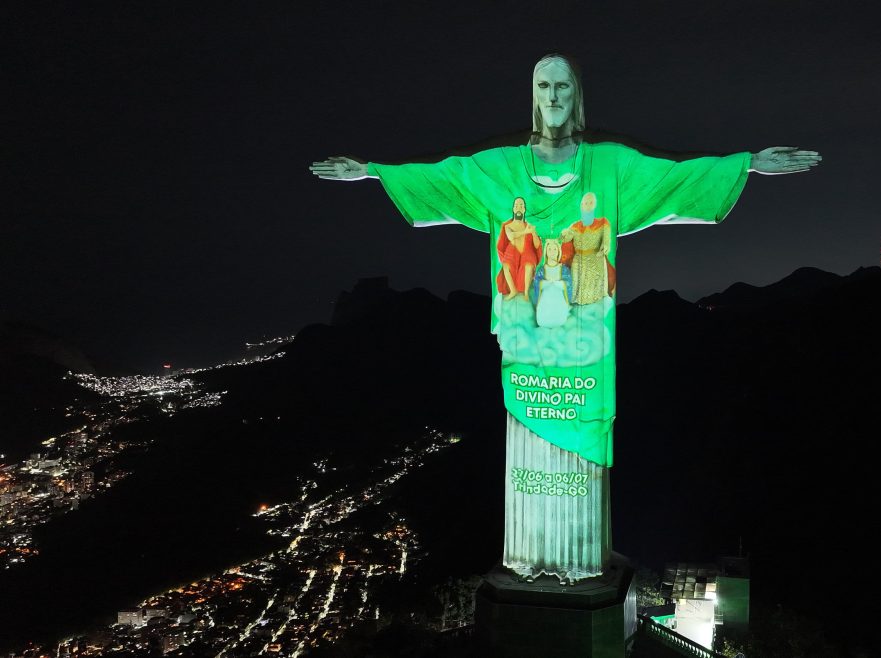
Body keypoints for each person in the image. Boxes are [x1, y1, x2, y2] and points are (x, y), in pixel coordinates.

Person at [310, 54, 820, 584]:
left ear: (577, 95)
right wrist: (371, 170)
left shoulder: (610, 166)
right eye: (543, 85)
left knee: (582, 454)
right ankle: (529, 557)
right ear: (533, 95)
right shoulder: (502, 169)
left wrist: (749, 162)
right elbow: (443, 178)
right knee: (526, 454)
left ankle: (577, 560)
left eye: (562, 86)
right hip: (529, 348)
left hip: (584, 353)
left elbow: (675, 177)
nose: (552, 96)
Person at [559, 192, 612, 305]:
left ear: (595, 204)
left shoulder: (603, 223)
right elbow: (566, 238)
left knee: (597, 298)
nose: (587, 205)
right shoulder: (575, 225)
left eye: (590, 202)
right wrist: (564, 233)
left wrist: (606, 246)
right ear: (581, 205)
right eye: (585, 203)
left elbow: (606, 239)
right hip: (579, 260)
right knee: (575, 295)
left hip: (596, 259)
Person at [496, 197, 541, 300]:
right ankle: (513, 290)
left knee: (529, 265)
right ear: (513, 209)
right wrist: (525, 232)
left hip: (527, 253)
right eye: (516, 205)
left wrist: (533, 233)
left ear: (524, 209)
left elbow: (537, 245)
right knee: (506, 266)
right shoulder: (507, 225)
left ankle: (526, 292)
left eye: (521, 206)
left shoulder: (529, 226)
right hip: (512, 253)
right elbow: (511, 236)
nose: (519, 208)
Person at [532, 239, 572, 327]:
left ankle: (560, 318)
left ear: (558, 251)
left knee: (559, 314)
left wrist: (560, 283)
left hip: (559, 299)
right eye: (549, 249)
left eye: (555, 249)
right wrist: (544, 283)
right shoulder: (542, 270)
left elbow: (568, 283)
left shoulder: (564, 269)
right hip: (545, 301)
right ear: (546, 252)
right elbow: (537, 283)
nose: (552, 252)